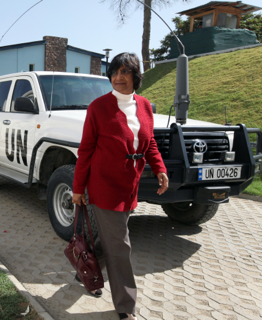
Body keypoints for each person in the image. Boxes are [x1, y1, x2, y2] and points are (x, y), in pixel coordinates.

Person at [72, 52, 169, 320]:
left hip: (129, 187)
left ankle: (85, 268)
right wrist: (78, 188)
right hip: (104, 186)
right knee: (121, 246)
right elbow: (86, 150)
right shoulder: (98, 107)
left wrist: (159, 168)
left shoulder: (145, 106)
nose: (118, 77)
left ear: (136, 76)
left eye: (125, 72)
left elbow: (149, 143)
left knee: (111, 240)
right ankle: (126, 307)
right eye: (114, 72)